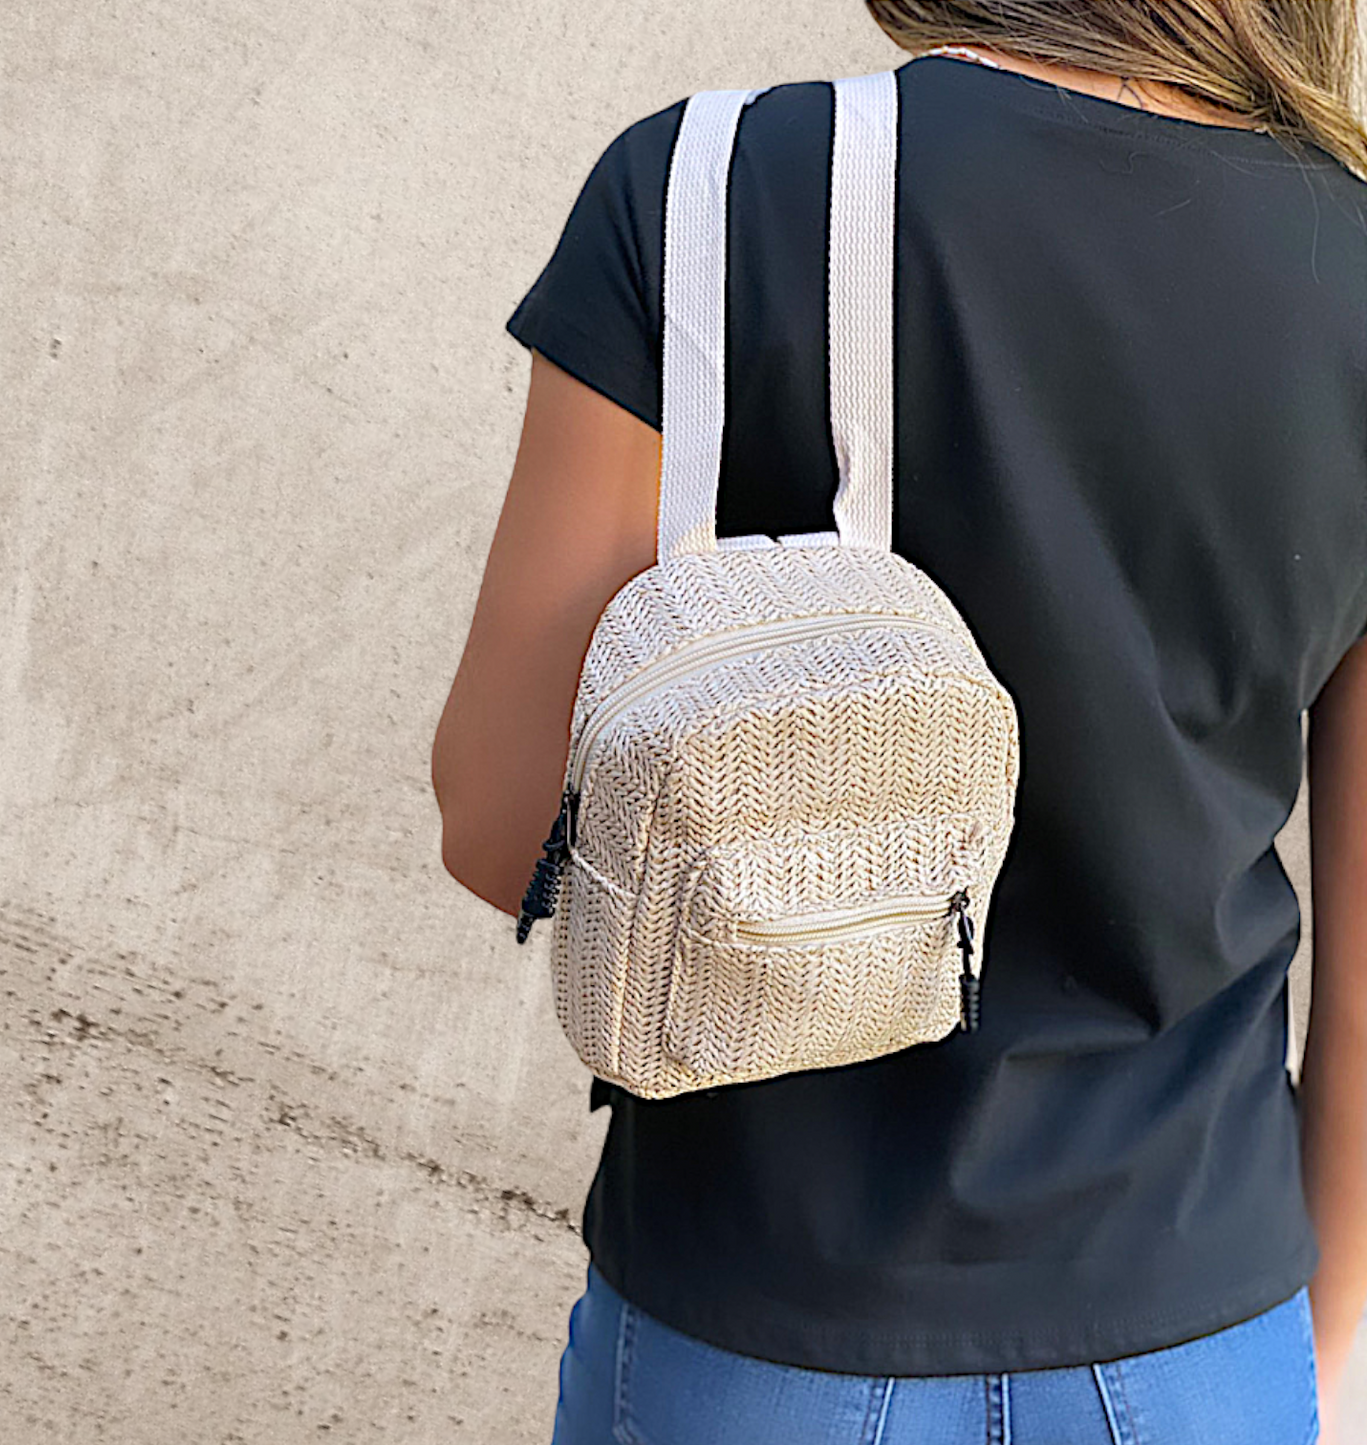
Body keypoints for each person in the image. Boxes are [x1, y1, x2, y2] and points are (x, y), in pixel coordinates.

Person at [430, 4, 1367, 1441]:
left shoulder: (714, 193)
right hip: (1198, 1335)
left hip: (765, 1316)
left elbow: (503, 834)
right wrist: (1313, 1371)